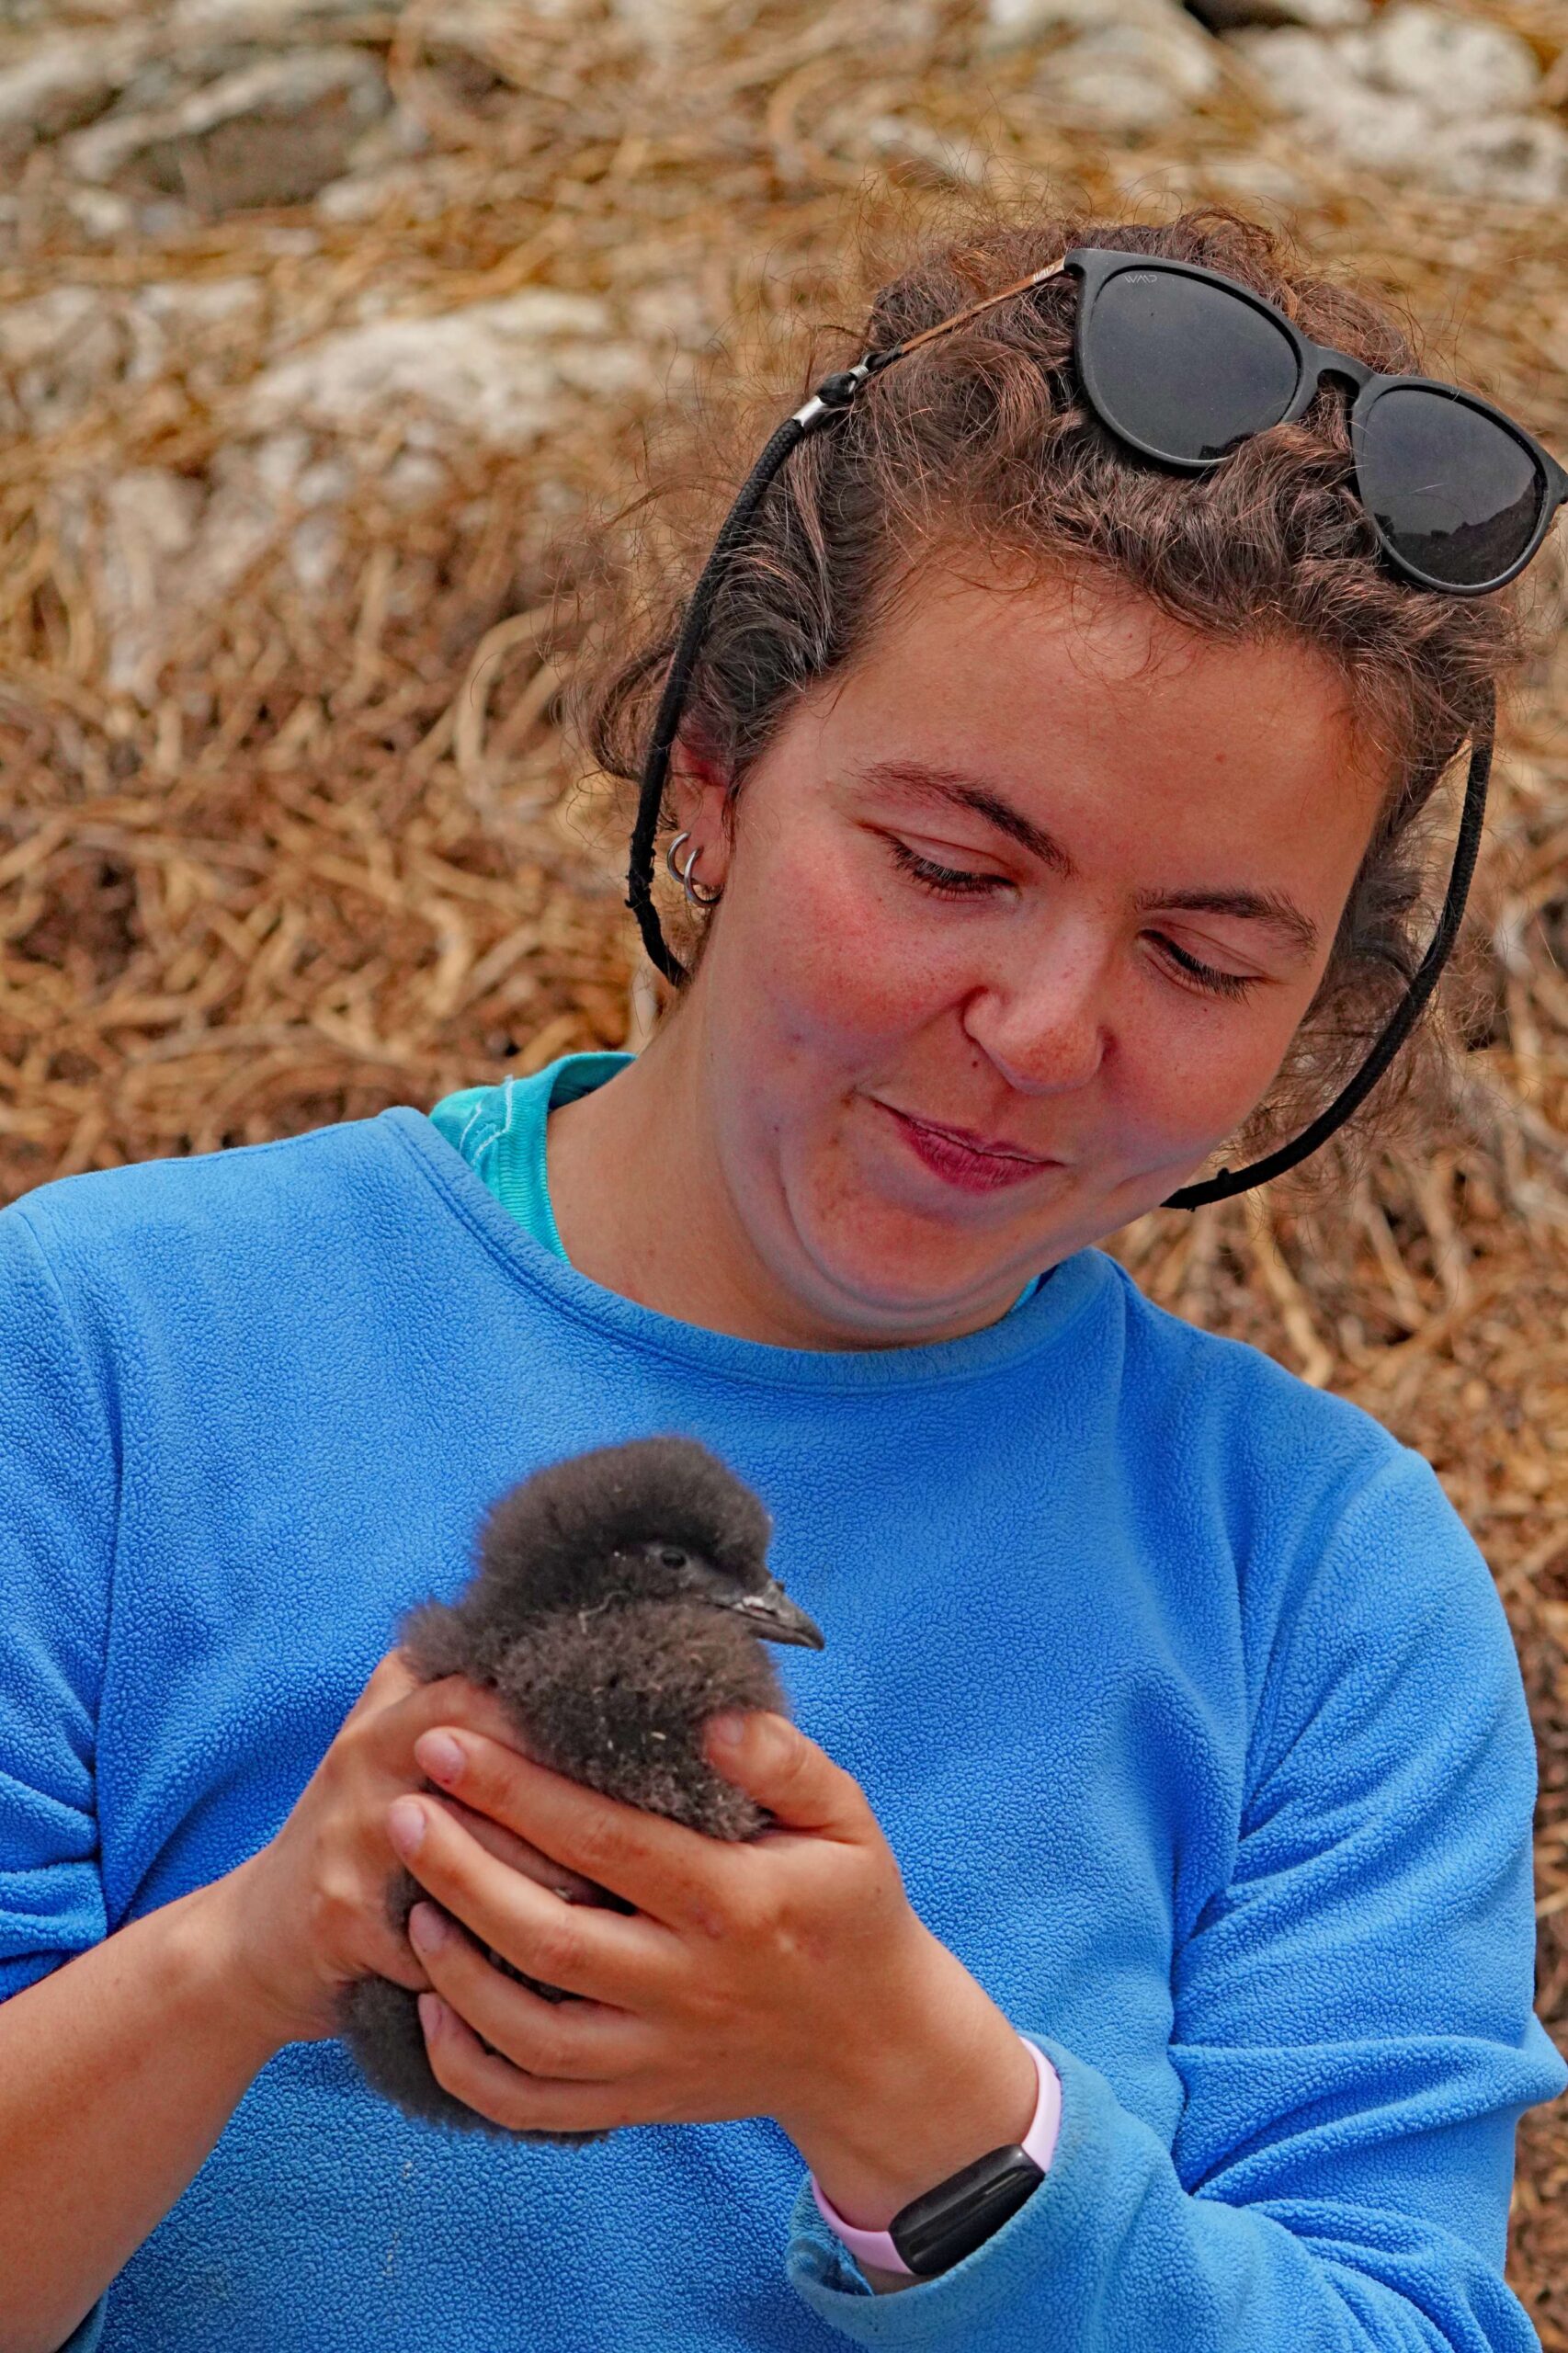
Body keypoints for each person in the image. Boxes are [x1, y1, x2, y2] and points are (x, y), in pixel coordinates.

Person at [1, 199, 1564, 2353]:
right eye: (947, 864)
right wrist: (248, 1953)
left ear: (1323, 1009)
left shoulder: (1320, 1587)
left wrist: (922, 2096)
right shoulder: (98, 1355)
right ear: (717, 773)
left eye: (1204, 955)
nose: (1034, 1024)